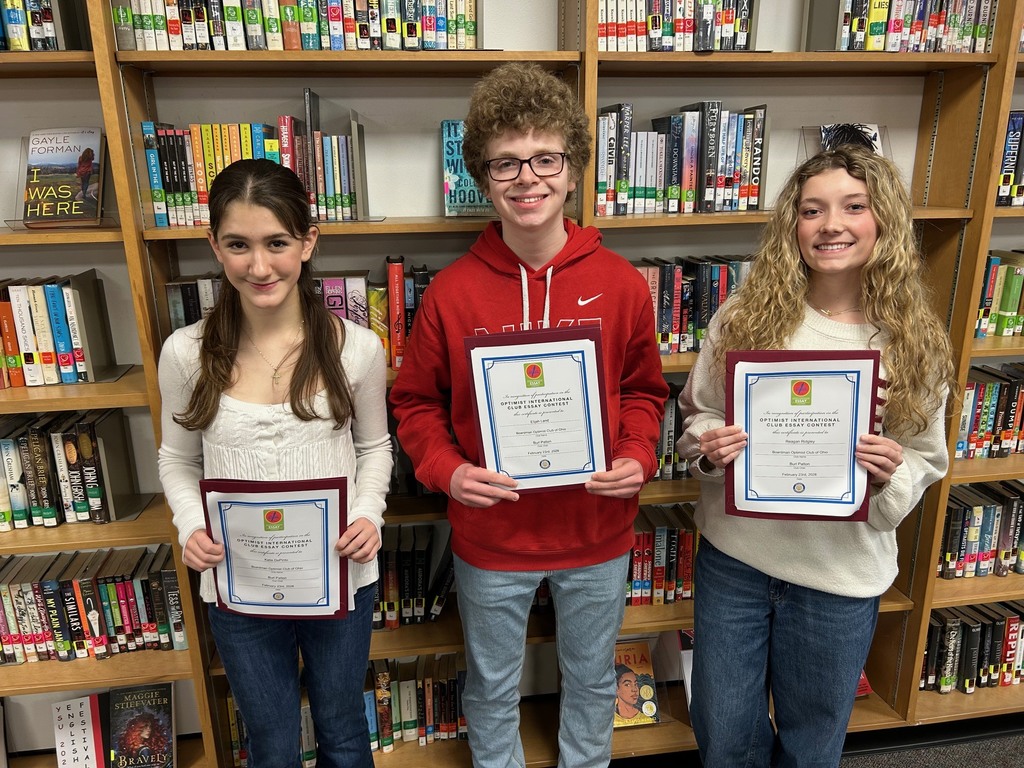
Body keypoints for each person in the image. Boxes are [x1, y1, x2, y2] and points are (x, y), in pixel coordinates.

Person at [389, 61, 668, 768]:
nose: (528, 178)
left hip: (596, 530)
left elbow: (643, 389)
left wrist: (638, 455)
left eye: (545, 158)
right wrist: (448, 472)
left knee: (593, 679)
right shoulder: (452, 293)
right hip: (493, 535)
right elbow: (416, 402)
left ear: (573, 169)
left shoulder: (621, 285)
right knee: (490, 685)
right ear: (482, 178)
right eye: (506, 162)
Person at [677, 144, 954, 768]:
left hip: (839, 578)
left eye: (853, 207)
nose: (831, 224)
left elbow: (926, 459)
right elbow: (698, 416)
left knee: (811, 746)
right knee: (723, 738)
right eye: (812, 210)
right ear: (791, 225)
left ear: (882, 220)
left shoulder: (913, 339)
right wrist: (709, 447)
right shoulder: (745, 318)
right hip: (737, 564)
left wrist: (890, 472)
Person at [157, 158, 392, 768]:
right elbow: (176, 459)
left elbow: (374, 449)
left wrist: (368, 514)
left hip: (339, 574)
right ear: (214, 245)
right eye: (238, 245)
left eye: (277, 243)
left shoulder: (358, 348)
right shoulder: (185, 353)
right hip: (240, 585)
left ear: (308, 242)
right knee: (270, 742)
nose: (259, 266)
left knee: (343, 732)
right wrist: (190, 526)